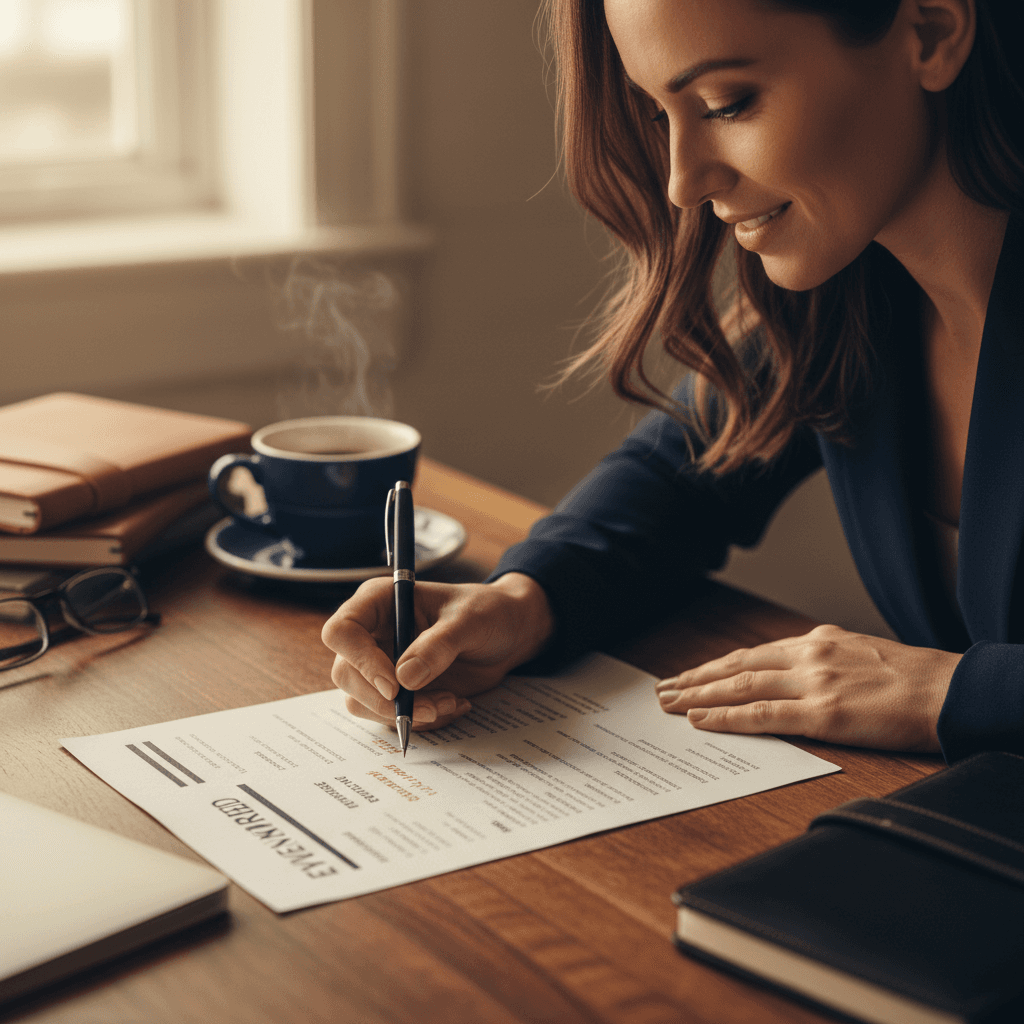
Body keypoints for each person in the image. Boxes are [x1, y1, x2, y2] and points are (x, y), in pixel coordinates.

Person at [322, 0, 1024, 762]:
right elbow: (683, 472)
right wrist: (525, 600)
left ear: (930, 31)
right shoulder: (848, 300)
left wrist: (954, 693)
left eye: (727, 103)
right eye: (661, 116)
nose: (683, 183)